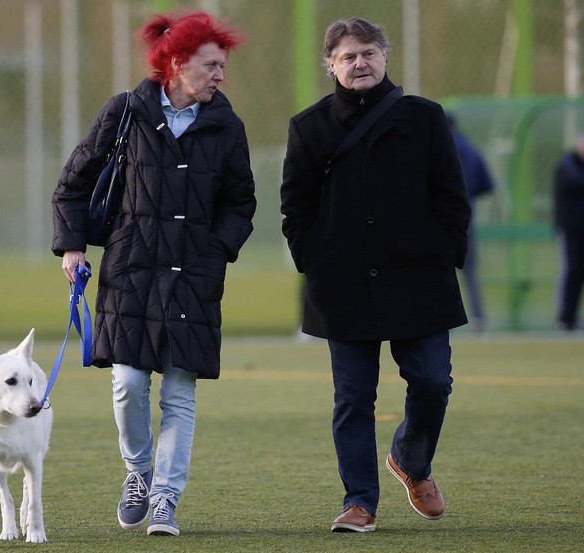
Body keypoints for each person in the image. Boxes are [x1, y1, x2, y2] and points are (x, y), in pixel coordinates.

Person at [51, 11, 255, 537]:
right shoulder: (125, 112)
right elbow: (73, 183)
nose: (220, 76)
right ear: (177, 63)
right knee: (128, 383)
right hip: (130, 273)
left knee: (179, 394)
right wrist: (72, 246)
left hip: (193, 277)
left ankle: (165, 498)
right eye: (211, 65)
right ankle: (138, 473)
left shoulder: (228, 126)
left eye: (222, 66)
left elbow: (241, 203)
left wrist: (216, 252)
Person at [280, 18, 470, 532]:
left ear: (385, 56)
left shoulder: (426, 118)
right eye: (347, 57)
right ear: (332, 66)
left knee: (432, 381)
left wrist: (445, 252)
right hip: (341, 284)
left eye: (367, 53)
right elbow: (295, 209)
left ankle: (412, 461)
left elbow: (452, 195)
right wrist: (314, 263)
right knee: (352, 400)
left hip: (419, 278)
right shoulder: (309, 126)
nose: (359, 63)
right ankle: (360, 501)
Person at [448, 114, 495, 333]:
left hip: (436, 218)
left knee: (435, 269)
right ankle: (477, 317)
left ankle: (442, 318)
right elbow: (487, 184)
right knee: (469, 270)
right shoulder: (471, 150)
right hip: (465, 217)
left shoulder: (433, 147)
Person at [553, 132, 584, 331]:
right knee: (570, 270)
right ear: (578, 146)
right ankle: (564, 317)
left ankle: (573, 316)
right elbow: (575, 184)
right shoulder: (567, 165)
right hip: (569, 228)